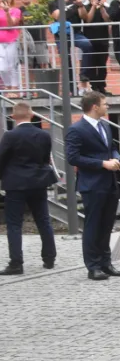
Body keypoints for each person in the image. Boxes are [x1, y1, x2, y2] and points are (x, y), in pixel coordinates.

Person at [64, 89, 120, 281]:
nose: (108, 107)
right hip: (92, 185)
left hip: (110, 184)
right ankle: (93, 266)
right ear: (94, 106)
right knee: (93, 226)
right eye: (105, 104)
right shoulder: (76, 129)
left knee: (106, 225)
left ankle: (106, 263)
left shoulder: (104, 126)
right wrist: (102, 164)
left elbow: (112, 148)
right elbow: (73, 158)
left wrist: (115, 158)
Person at [0, 101, 57, 274]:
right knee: (43, 220)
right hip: (38, 182)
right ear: (31, 115)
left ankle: (16, 263)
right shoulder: (44, 135)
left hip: (15, 184)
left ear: (13, 117)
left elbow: (1, 159)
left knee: (14, 223)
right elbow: (45, 158)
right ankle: (49, 258)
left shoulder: (10, 136)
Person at [77, 0, 110, 92]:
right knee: (91, 63)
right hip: (90, 39)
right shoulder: (85, 6)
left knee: (102, 64)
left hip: (103, 39)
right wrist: (93, 6)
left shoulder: (105, 6)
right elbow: (88, 20)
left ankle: (101, 86)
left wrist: (101, 8)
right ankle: (93, 86)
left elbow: (107, 20)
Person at [0, 0, 21, 89]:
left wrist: (7, 12)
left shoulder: (16, 10)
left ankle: (14, 88)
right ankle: (8, 86)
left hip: (11, 40)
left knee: (12, 66)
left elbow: (10, 25)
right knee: (2, 68)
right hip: (0, 42)